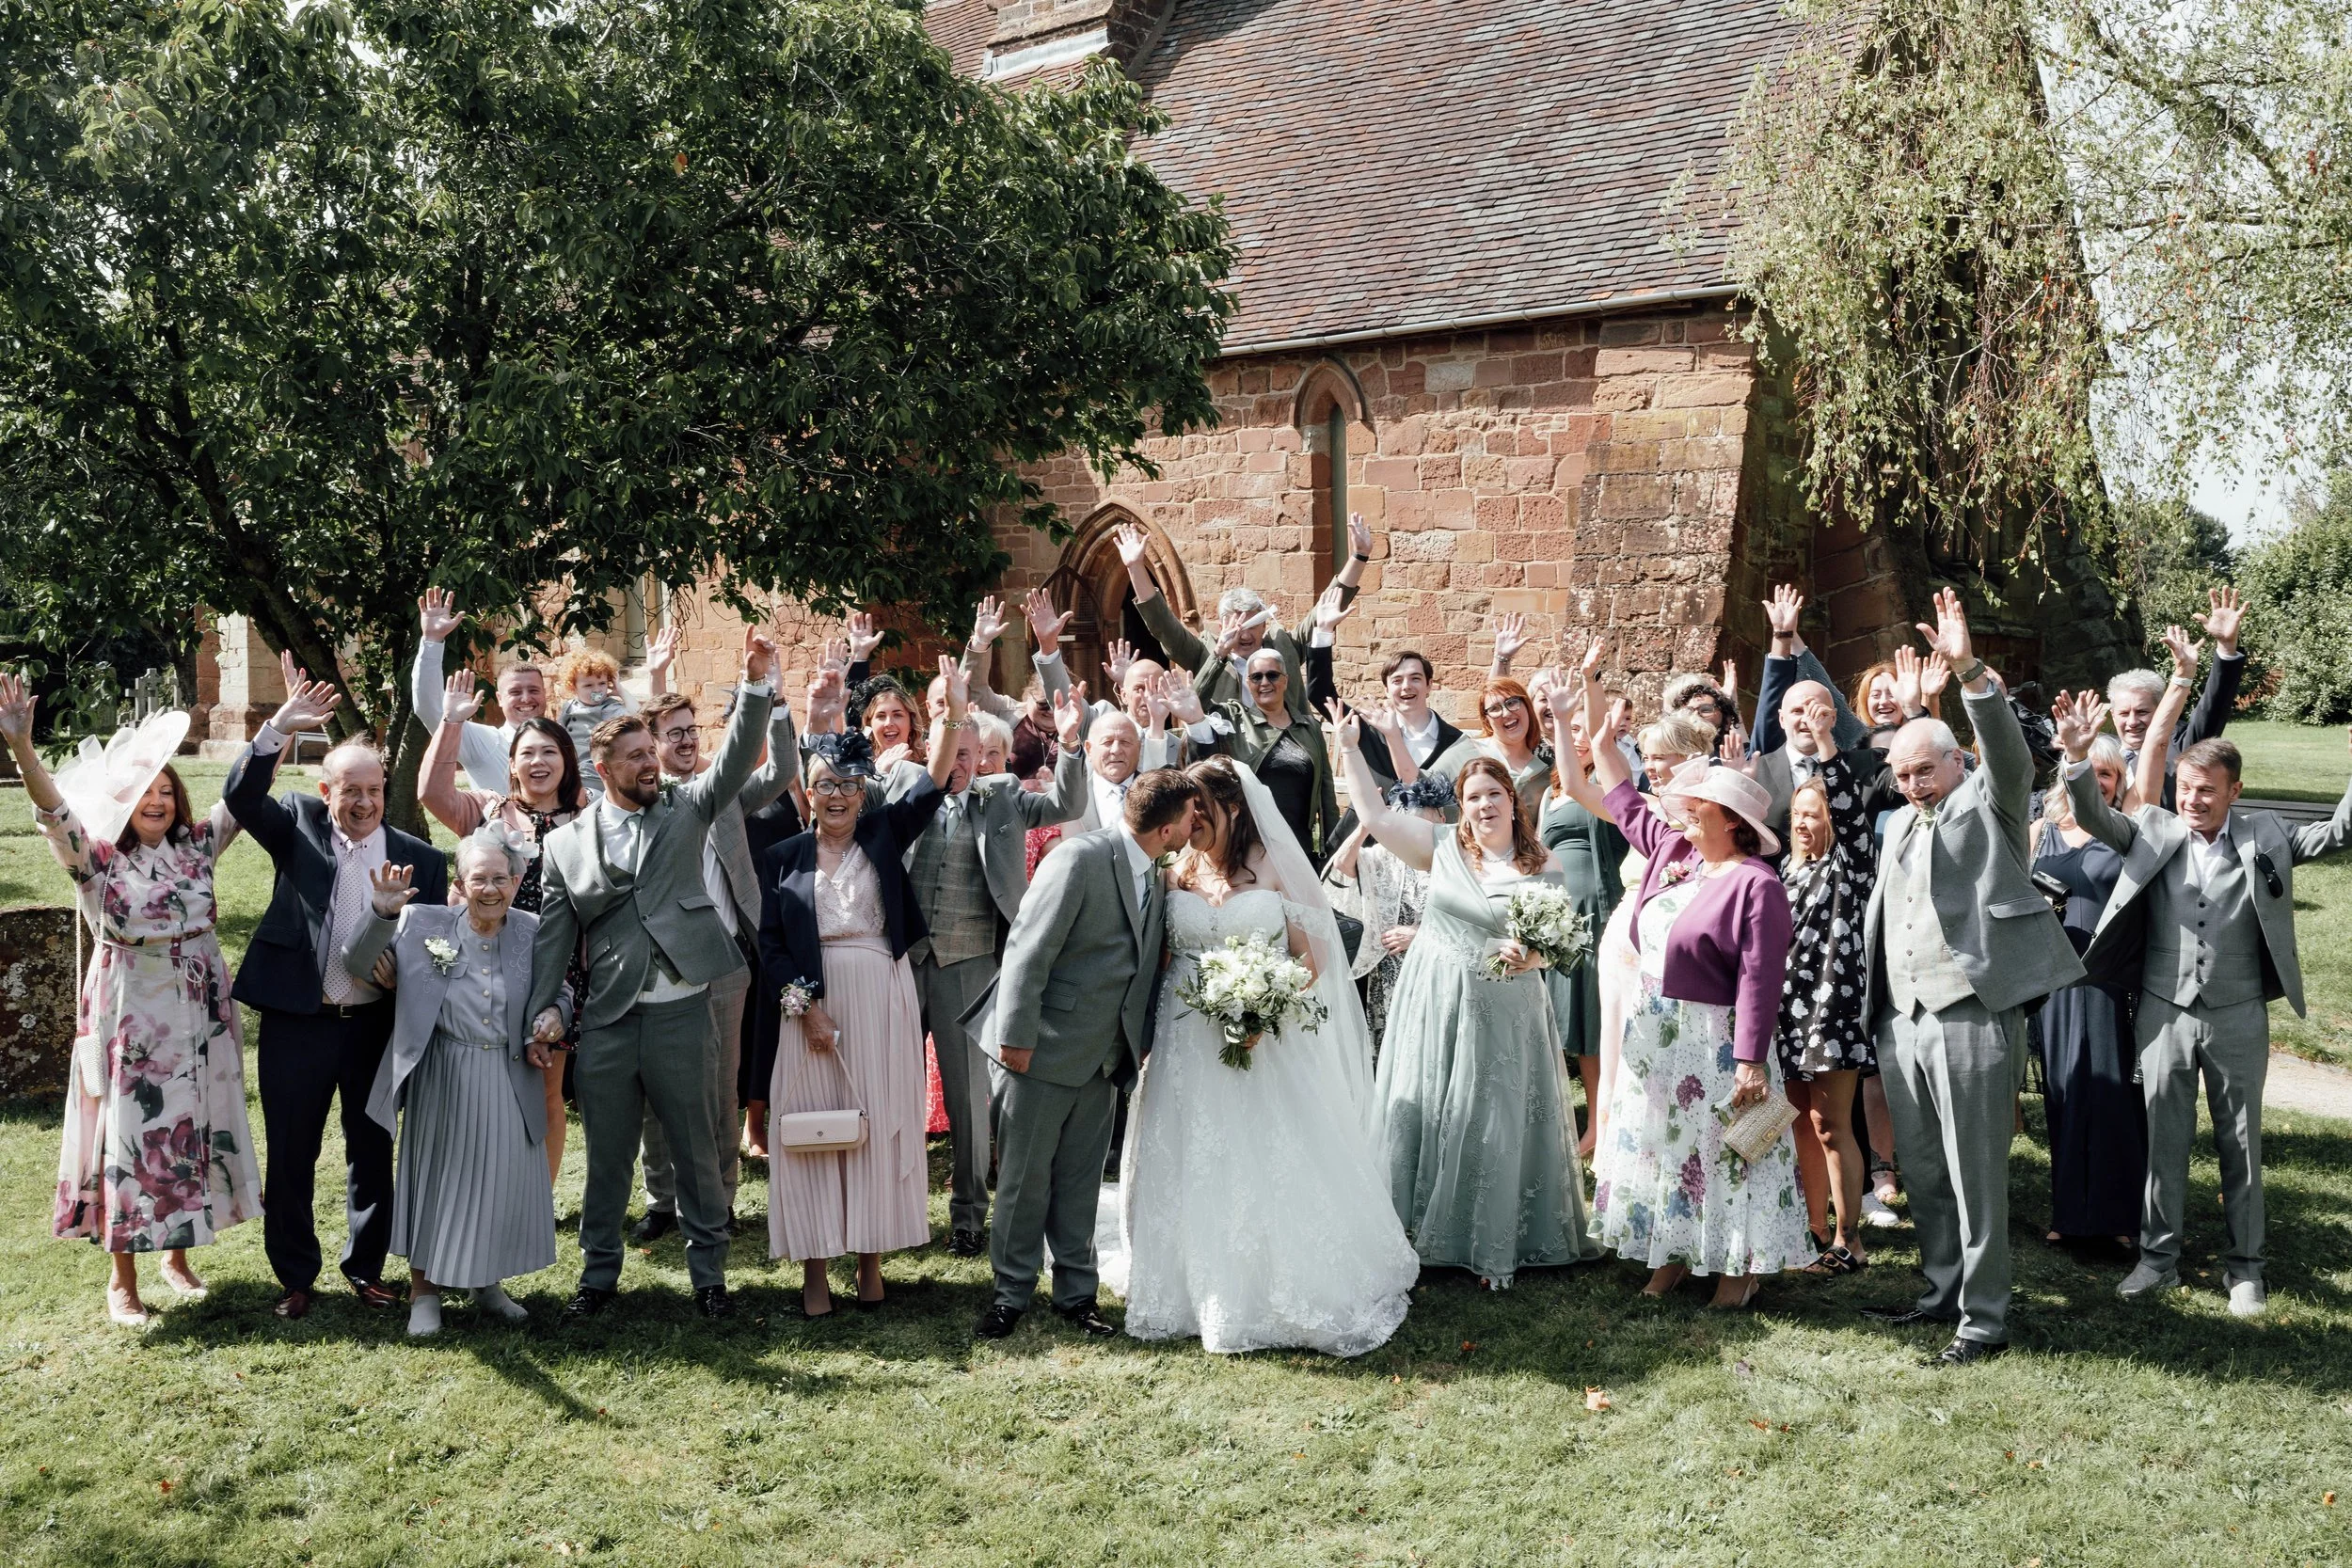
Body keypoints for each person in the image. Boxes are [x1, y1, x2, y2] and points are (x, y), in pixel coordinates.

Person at [2055, 691, 2352, 1318]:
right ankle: (2157, 1260)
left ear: (2234, 790)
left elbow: (2338, 833)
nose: (2192, 800)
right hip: (2163, 1010)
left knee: (2240, 1142)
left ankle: (2245, 1268)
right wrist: (2078, 759)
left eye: (2206, 791)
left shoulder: (2264, 833)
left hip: (2239, 1010)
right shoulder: (2153, 830)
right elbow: (2094, 813)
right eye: (2186, 788)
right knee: (2163, 1139)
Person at [1116, 757, 1421, 1354]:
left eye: (1204, 808)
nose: (1194, 821)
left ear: (1234, 807)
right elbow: (1161, 958)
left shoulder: (1276, 865)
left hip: (1265, 1036)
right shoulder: (1175, 870)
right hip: (1186, 1038)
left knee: (1269, 1147)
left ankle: (1282, 1281)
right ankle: (1192, 1286)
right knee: (1195, 1149)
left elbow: (1315, 957)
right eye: (1188, 811)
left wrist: (1263, 1004)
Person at [1855, 590, 2084, 1366]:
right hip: (1902, 1016)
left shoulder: (1992, 806)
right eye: (1902, 773)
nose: (1912, 783)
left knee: (1975, 1170)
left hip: (1970, 1009)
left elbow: (2013, 755)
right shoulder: (1896, 825)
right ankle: (1942, 1288)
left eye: (1925, 769)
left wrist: (1970, 671)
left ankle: (1983, 1318)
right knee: (1921, 1166)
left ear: (1957, 761)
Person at [526, 625, 779, 1323]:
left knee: (699, 1150)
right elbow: (553, 939)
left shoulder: (686, 808)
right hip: (607, 1017)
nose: (650, 764)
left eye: (651, 753)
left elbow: (730, 765)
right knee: (607, 1160)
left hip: (682, 1010)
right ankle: (597, 1276)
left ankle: (709, 1277)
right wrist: (544, 1010)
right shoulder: (565, 845)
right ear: (603, 768)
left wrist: (757, 685)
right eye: (636, 756)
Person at [0, 680, 262, 1326]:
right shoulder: (98, 863)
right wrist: (22, 750)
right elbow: (55, 812)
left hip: (198, 1015)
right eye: (146, 790)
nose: (157, 799)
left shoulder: (197, 849)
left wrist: (279, 723)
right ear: (124, 802)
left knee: (187, 1130)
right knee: (130, 1136)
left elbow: (242, 796)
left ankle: (175, 1257)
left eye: (167, 790)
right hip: (132, 1020)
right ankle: (123, 1281)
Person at [1333, 718, 1595, 1291]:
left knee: (1495, 1115)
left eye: (1493, 795)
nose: (1483, 806)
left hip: (1508, 1005)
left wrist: (1534, 960)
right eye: (1472, 798)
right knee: (1428, 1106)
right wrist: (1351, 750)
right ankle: (1413, 1229)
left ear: (1512, 800)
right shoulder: (1442, 849)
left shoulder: (1543, 866)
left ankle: (1496, 1239)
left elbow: (1561, 942)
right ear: (1462, 806)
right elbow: (1375, 817)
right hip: (1436, 999)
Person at [225, 666, 451, 1322]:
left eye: (374, 790)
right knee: (293, 1150)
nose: (363, 802)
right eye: (350, 790)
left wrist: (403, 972)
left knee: (371, 1146)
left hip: (372, 1026)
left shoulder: (421, 859)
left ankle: (366, 1267)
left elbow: (434, 947)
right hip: (300, 1017)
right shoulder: (296, 823)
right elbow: (241, 797)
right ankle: (296, 1276)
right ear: (327, 790)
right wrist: (277, 729)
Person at [1571, 693, 1804, 1308]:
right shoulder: (1679, 856)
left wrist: (1751, 1060)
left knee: (1727, 1154)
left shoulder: (1758, 884)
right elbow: (1622, 799)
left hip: (1718, 1040)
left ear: (1733, 821)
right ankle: (1670, 1254)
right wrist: (1598, 733)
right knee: (1668, 1150)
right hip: (1659, 1035)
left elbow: (1761, 976)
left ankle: (1735, 1270)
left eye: (1698, 810)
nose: (1685, 816)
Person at [755, 664, 969, 1317]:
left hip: (881, 993)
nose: (839, 795)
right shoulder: (785, 855)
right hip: (810, 1004)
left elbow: (933, 782)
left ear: (863, 790)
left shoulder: (882, 833)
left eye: (849, 784)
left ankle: (870, 1260)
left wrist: (955, 711)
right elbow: (771, 945)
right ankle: (815, 1267)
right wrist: (805, 1007)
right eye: (826, 786)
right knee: (814, 1127)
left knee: (875, 1121)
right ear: (809, 791)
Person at [971, 768, 1204, 1339]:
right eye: (1192, 817)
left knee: (1078, 1183)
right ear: (1170, 826)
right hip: (1041, 1049)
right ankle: (1010, 1293)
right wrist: (1016, 1040)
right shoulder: (1078, 858)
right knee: (1025, 1180)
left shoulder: (1156, 870)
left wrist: (1139, 1039)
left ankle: (1076, 1295)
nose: (1196, 825)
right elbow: (1027, 948)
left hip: (1105, 1056)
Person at [345, 827, 564, 1337]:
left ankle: (486, 1283)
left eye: (500, 879)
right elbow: (356, 963)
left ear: (516, 881)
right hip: (442, 1070)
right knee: (435, 1179)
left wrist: (555, 1012)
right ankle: (424, 1293)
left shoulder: (532, 929)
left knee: (500, 1180)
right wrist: (380, 912)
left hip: (509, 1073)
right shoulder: (423, 922)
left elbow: (562, 988)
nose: (490, 889)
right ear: (460, 885)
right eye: (478, 879)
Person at [898, 683, 1088, 1261]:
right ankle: (895, 1210)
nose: (959, 764)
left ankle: (968, 1216)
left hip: (971, 962)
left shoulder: (1001, 793)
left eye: (969, 754)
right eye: (949, 751)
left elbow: (1067, 806)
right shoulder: (904, 790)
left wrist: (1072, 744)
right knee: (893, 1092)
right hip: (903, 962)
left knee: (967, 1098)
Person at [631, 687, 800, 1240]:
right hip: (657, 967)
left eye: (690, 729)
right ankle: (661, 1200)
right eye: (673, 732)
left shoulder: (721, 791)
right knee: (658, 1090)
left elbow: (779, 772)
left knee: (721, 1089)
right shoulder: (639, 802)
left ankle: (720, 1199)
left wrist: (776, 709)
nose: (685, 740)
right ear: (652, 743)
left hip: (726, 961)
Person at [415, 673, 591, 1181]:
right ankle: (491, 1183)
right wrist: (452, 721)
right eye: (527, 753)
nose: (539, 763)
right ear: (511, 763)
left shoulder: (589, 818)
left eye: (549, 753)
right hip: (492, 965)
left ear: (566, 761)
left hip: (558, 968)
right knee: (492, 1081)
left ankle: (542, 1192)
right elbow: (430, 791)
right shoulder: (490, 812)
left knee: (549, 1090)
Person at [1772, 687, 1885, 1276]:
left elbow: (1845, 806)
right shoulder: (1786, 870)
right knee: (1795, 1121)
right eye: (1798, 818)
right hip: (1787, 1012)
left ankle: (1849, 1239)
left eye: (1814, 817)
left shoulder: (1853, 867)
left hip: (1833, 1011)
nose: (1805, 826)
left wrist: (1824, 749)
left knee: (1831, 1123)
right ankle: (1810, 1229)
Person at [2029, 724, 2145, 1251]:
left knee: (2113, 1094)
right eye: (2091, 771)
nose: (2099, 782)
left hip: (2106, 979)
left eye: (2108, 773)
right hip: (2053, 980)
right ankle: (2069, 1215)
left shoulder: (2127, 831)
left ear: (2120, 782)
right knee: (2064, 1093)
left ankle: (2118, 1217)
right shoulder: (2040, 832)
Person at [1117, 516, 1372, 723]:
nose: (1246, 635)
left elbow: (1327, 607)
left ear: (1265, 625)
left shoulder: (1284, 647)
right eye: (1238, 627)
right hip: (1227, 759)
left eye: (1253, 626)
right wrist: (1135, 567)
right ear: (1222, 627)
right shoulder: (1204, 653)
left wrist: (1358, 556)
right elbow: (1163, 626)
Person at [1535, 668, 1628, 1157]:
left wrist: (1590, 688)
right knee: (1557, 1023)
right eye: (1564, 731)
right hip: (1554, 916)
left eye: (1581, 732)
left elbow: (1595, 733)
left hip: (1595, 909)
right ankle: (1557, 1122)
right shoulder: (1549, 791)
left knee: (1592, 1026)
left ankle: (1598, 1125)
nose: (1576, 738)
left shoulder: (1607, 784)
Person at [1171, 645, 1338, 859]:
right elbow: (1194, 706)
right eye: (1256, 677)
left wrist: (1334, 846)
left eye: (1272, 675)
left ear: (1285, 680)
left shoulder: (1309, 726)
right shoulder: (1232, 717)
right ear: (1248, 683)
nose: (1265, 683)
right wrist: (1218, 656)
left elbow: (1326, 790)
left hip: (1297, 842)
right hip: (1247, 841)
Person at [1326, 772, 1454, 1048]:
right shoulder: (1384, 857)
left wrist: (1420, 935)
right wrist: (1365, 825)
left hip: (1438, 969)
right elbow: (1341, 868)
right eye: (1407, 826)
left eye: (1424, 825)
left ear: (1442, 820)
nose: (1415, 834)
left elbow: (1468, 923)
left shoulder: (1457, 862)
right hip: (1388, 975)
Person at [2106, 586, 2247, 806]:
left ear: (2162, 709)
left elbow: (2213, 708)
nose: (2132, 722)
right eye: (2124, 713)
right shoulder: (2103, 751)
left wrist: (2227, 648)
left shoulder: (2183, 747)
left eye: (2142, 712)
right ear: (2113, 715)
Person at [409, 588, 553, 791]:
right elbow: (429, 709)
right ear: (499, 698)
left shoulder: (564, 740)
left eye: (534, 690)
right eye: (515, 692)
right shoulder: (485, 742)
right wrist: (432, 640)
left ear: (545, 693)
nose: (526, 698)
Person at [1472, 674, 1550, 822]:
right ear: (1486, 720)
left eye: (1512, 702)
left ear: (1528, 707)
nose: (1507, 713)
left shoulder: (1547, 771)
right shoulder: (1469, 753)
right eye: (1495, 708)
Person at [554, 649, 631, 798]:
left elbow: (638, 717)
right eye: (588, 685)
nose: (597, 690)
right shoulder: (569, 707)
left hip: (597, 776)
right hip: (572, 772)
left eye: (602, 683)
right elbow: (558, 734)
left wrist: (621, 691)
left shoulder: (610, 708)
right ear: (573, 687)